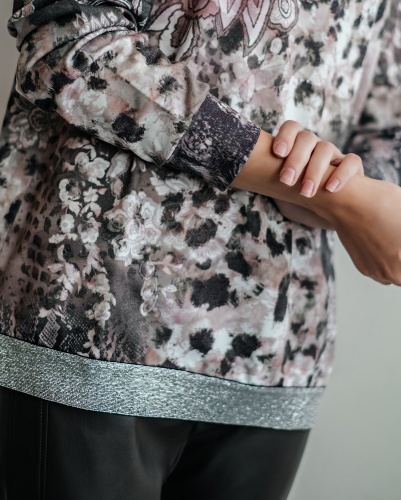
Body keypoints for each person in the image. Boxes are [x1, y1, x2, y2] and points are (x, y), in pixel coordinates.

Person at [1, 1, 401, 499]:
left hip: (277, 347)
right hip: (94, 321)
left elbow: (388, 126)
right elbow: (68, 43)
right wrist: (318, 189)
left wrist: (347, 182)